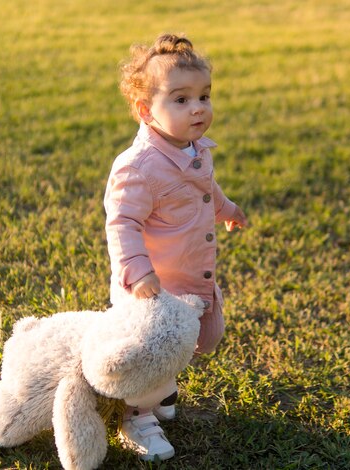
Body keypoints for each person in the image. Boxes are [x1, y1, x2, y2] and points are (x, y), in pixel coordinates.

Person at [104, 33, 247, 461]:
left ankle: (162, 390)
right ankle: (135, 415)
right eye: (181, 99)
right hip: (150, 287)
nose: (198, 107)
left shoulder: (195, 149)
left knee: (189, 340)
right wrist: (138, 271)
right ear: (146, 111)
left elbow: (203, 187)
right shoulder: (139, 167)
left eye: (204, 96)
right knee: (152, 349)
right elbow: (122, 221)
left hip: (186, 277)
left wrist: (226, 207)